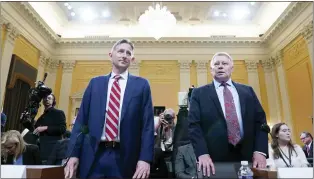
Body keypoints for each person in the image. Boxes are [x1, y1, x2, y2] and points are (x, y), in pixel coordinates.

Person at [64, 39, 154, 179]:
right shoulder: (95, 83)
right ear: (110, 54)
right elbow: (81, 122)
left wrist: (145, 159)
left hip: (125, 157)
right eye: (120, 51)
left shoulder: (141, 85)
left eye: (128, 53)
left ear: (132, 59)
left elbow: (148, 125)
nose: (124, 55)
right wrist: (73, 154)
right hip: (93, 155)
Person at [188, 52, 268, 177]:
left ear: (232, 68)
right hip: (213, 161)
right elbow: (194, 125)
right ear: (211, 69)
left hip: (248, 157)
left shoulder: (247, 91)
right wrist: (202, 153)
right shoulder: (199, 93)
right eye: (216, 64)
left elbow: (261, 121)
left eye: (224, 63)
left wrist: (260, 151)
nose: (220, 66)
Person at [33, 94, 67, 164]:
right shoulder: (41, 117)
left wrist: (45, 128)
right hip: (42, 150)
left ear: (53, 101)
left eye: (49, 98)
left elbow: (62, 129)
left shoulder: (58, 113)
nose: (47, 99)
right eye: (45, 98)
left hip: (53, 150)